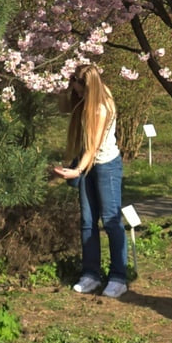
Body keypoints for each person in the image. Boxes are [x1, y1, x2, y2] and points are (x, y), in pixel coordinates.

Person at [52, 64, 128, 299]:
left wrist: (76, 171)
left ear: (87, 86)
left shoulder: (101, 107)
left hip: (105, 166)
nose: (76, 91)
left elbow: (93, 147)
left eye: (78, 86)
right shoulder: (84, 96)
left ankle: (118, 277)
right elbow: (63, 107)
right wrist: (66, 87)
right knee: (87, 221)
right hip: (88, 164)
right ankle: (91, 274)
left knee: (111, 221)